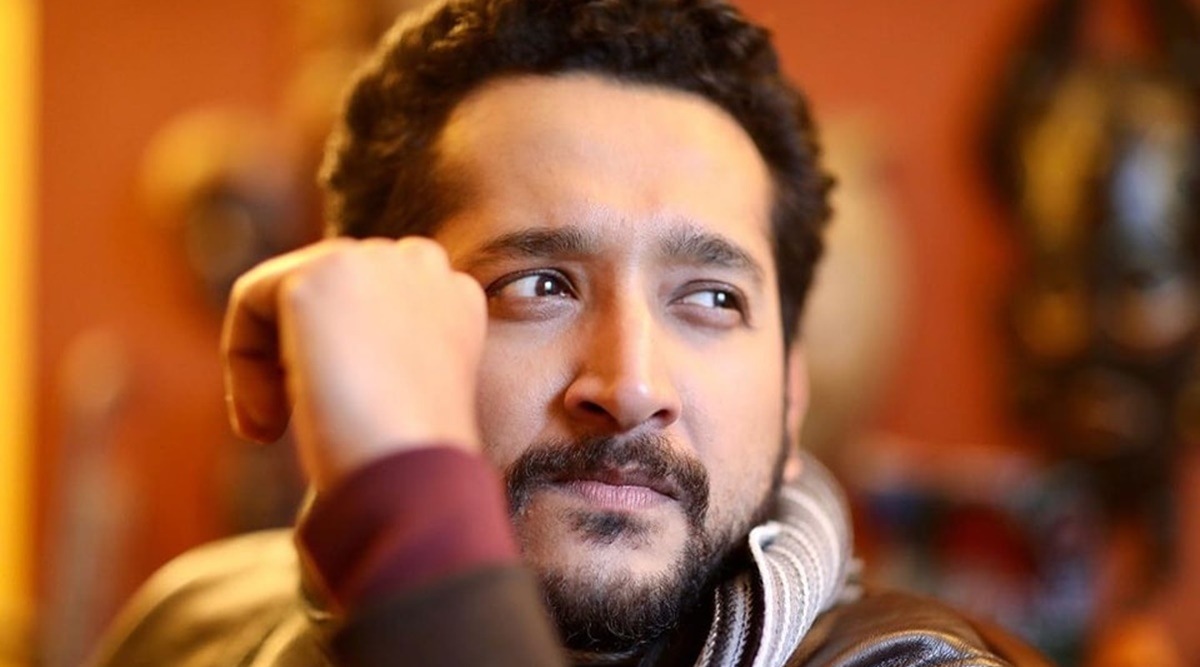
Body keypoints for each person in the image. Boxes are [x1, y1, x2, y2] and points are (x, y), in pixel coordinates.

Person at [93, 1, 1051, 665]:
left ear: (792, 394)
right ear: (386, 320)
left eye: (712, 299)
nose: (630, 385)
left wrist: (409, 513)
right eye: (539, 285)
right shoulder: (189, 626)